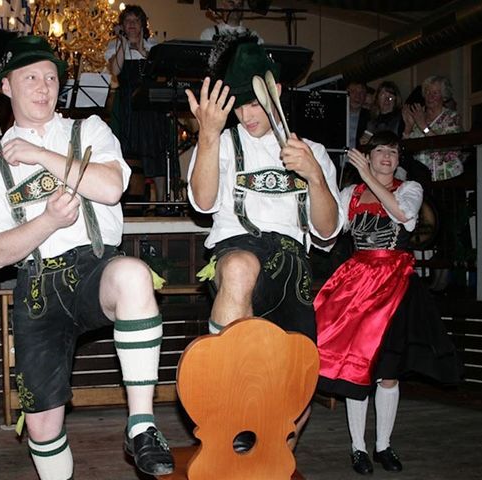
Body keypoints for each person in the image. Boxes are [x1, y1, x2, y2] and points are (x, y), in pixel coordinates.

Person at [0, 34, 175, 478]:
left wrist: (40, 154)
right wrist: (47, 221)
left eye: (50, 77)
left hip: (93, 268)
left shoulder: (89, 131)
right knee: (42, 426)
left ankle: (141, 425)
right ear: (6, 86)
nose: (43, 87)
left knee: (134, 275)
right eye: (30, 78)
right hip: (37, 288)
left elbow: (112, 188)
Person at [185, 40, 343, 449]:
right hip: (237, 249)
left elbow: (327, 232)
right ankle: (229, 403)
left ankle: (268, 462)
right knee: (240, 268)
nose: (247, 115)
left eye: (254, 104)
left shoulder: (313, 152)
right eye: (239, 106)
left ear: (276, 95)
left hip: (293, 267)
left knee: (295, 402)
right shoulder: (222, 143)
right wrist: (207, 136)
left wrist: (315, 176)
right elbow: (202, 202)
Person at [314, 131, 461, 475]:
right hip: (356, 286)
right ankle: (358, 448)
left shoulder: (410, 188)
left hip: (396, 286)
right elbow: (327, 234)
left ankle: (383, 445)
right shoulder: (350, 193)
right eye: (380, 150)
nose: (386, 157)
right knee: (357, 370)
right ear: (368, 155)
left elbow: (403, 216)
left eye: (393, 152)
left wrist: (367, 177)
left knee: (389, 373)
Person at [105, 5, 173, 206]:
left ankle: (160, 203)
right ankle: (130, 202)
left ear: (143, 24)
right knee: (129, 152)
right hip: (128, 107)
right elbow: (116, 70)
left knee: (155, 152)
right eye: (127, 21)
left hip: (151, 106)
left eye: (136, 20)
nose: (132, 24)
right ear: (122, 26)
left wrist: (141, 49)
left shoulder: (153, 46)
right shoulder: (116, 46)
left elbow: (159, 72)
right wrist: (123, 43)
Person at [402, 75, 463, 181]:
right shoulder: (418, 115)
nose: (430, 97)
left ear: (444, 96)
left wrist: (424, 127)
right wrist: (408, 127)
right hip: (421, 179)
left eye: (435, 93)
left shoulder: (451, 117)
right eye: (427, 92)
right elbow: (404, 152)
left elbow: (449, 149)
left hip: (447, 178)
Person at [347, 80, 370, 149]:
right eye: (353, 92)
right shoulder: (335, 115)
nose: (357, 96)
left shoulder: (370, 117)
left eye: (361, 93)